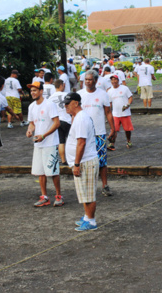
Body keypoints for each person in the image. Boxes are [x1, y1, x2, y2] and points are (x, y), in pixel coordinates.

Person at [63, 92, 100, 231]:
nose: (66, 106)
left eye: (68, 103)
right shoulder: (77, 117)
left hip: (85, 161)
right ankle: (86, 216)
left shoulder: (81, 119)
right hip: (82, 161)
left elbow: (81, 143)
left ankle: (91, 221)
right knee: (84, 193)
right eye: (65, 104)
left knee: (88, 194)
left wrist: (77, 164)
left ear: (76, 103)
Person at [78, 70, 116, 196]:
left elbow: (108, 112)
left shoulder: (103, 94)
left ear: (95, 80)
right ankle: (86, 186)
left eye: (90, 79)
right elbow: (75, 114)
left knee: (102, 161)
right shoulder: (79, 95)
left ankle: (105, 185)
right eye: (86, 80)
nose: (88, 82)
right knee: (83, 160)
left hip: (99, 132)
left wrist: (113, 128)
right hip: (84, 133)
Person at [26, 81, 63, 207]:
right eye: (31, 90)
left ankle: (58, 196)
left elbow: (57, 123)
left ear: (41, 91)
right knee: (40, 172)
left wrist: (44, 135)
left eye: (35, 90)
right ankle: (44, 197)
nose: (32, 92)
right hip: (38, 143)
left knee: (53, 171)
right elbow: (32, 123)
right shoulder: (31, 106)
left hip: (50, 143)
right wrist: (30, 130)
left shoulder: (49, 105)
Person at [107, 74, 134, 149]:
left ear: (118, 80)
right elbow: (110, 103)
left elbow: (130, 97)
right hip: (115, 114)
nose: (113, 81)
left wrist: (128, 104)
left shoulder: (125, 88)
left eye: (115, 79)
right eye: (112, 80)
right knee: (114, 129)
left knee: (127, 129)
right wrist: (108, 112)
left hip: (125, 113)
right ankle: (112, 143)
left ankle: (129, 141)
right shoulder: (109, 91)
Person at [48, 79, 72, 164]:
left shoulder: (50, 98)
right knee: (71, 141)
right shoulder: (67, 95)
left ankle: (63, 160)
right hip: (67, 120)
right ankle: (71, 158)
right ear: (61, 85)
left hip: (57, 121)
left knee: (61, 141)